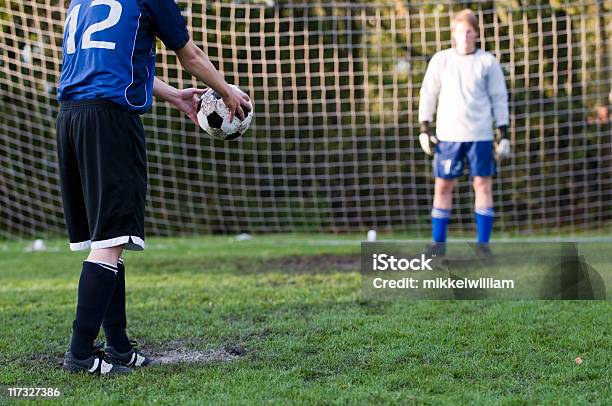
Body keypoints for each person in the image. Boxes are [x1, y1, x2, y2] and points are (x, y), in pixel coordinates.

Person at [56, 0, 251, 375]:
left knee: (108, 238)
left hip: (71, 118)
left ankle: (119, 347)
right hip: (110, 121)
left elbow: (109, 60)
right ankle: (80, 354)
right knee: (110, 240)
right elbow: (190, 55)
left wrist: (174, 96)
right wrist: (225, 91)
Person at [418, 9, 510, 255]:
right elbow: (428, 93)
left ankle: (483, 246)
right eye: (460, 31)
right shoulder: (441, 60)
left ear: (476, 33)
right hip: (449, 136)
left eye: (469, 31)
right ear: (453, 34)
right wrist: (424, 128)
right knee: (443, 186)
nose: (465, 35)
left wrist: (503, 132)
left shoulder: (487, 62)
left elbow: (499, 98)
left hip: (480, 135)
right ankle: (438, 245)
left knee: (482, 185)